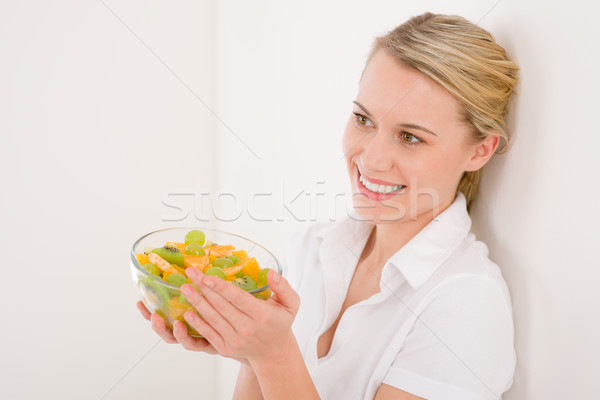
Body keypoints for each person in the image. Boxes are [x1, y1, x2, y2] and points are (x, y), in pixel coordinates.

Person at [137, 12, 519, 400]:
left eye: (410, 137)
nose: (370, 160)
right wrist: (249, 352)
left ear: (480, 150)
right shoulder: (310, 250)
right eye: (364, 120)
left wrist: (274, 355)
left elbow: (277, 360)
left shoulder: (466, 304)